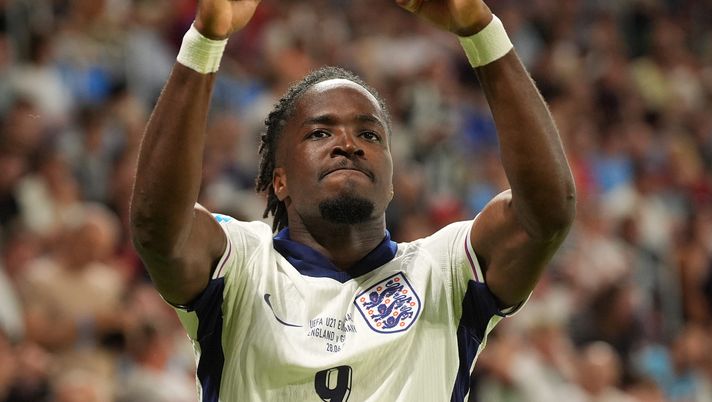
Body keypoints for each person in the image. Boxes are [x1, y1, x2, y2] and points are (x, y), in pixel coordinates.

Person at [129, 0, 576, 400]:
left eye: (369, 134)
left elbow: (548, 214)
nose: (349, 144)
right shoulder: (242, 262)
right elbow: (156, 227)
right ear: (278, 180)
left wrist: (481, 30)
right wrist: (204, 42)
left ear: (392, 182)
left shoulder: (444, 270)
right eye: (320, 132)